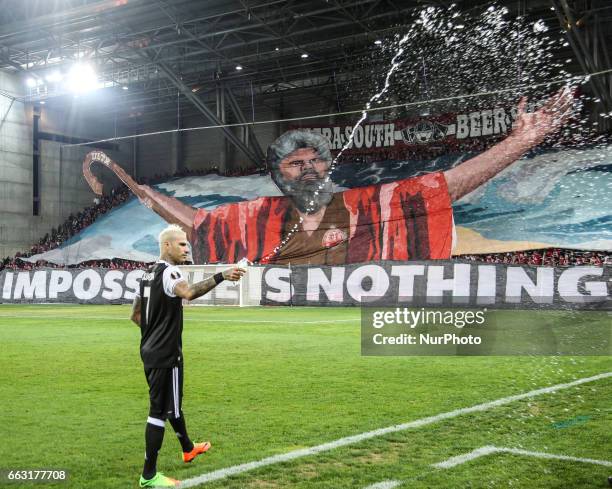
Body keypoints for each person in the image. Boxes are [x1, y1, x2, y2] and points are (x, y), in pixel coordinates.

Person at [85, 88, 573, 265]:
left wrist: (520, 142)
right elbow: (195, 221)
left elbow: (449, 185)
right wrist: (140, 189)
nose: (308, 169)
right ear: (277, 175)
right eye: (295, 164)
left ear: (329, 166)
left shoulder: (370, 205)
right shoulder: (256, 215)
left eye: (316, 160)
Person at [130, 224, 245, 488]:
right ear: (167, 246)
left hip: (149, 350)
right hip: (166, 354)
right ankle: (148, 476)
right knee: (158, 411)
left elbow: (135, 315)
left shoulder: (147, 274)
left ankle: (188, 447)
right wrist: (222, 276)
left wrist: (153, 334)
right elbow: (189, 293)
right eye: (181, 244)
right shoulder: (170, 272)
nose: (186, 248)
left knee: (173, 403)